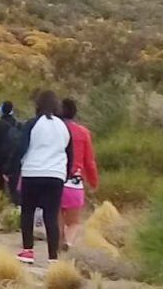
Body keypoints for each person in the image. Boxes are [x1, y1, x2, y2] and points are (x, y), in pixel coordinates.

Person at [15, 90, 73, 265]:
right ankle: (53, 257)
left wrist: (13, 167)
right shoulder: (64, 127)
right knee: (51, 214)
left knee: (28, 211)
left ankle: (28, 251)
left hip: (33, 172)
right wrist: (66, 174)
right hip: (55, 175)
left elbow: (21, 148)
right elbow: (69, 153)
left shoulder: (32, 124)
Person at [60, 98, 99, 251]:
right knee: (74, 222)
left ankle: (57, 243)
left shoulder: (54, 130)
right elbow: (89, 161)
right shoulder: (83, 132)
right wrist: (94, 182)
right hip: (74, 182)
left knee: (56, 219)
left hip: (54, 179)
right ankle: (68, 243)